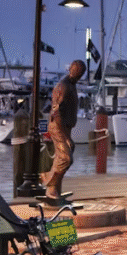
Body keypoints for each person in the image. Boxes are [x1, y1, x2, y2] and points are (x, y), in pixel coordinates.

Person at [43, 59, 85, 204]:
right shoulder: (63, 86)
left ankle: (55, 190)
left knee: (63, 155)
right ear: (71, 71)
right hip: (58, 127)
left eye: (81, 74)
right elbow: (56, 111)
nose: (79, 76)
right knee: (66, 158)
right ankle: (49, 182)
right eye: (77, 72)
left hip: (66, 127)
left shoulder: (72, 86)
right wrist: (65, 135)